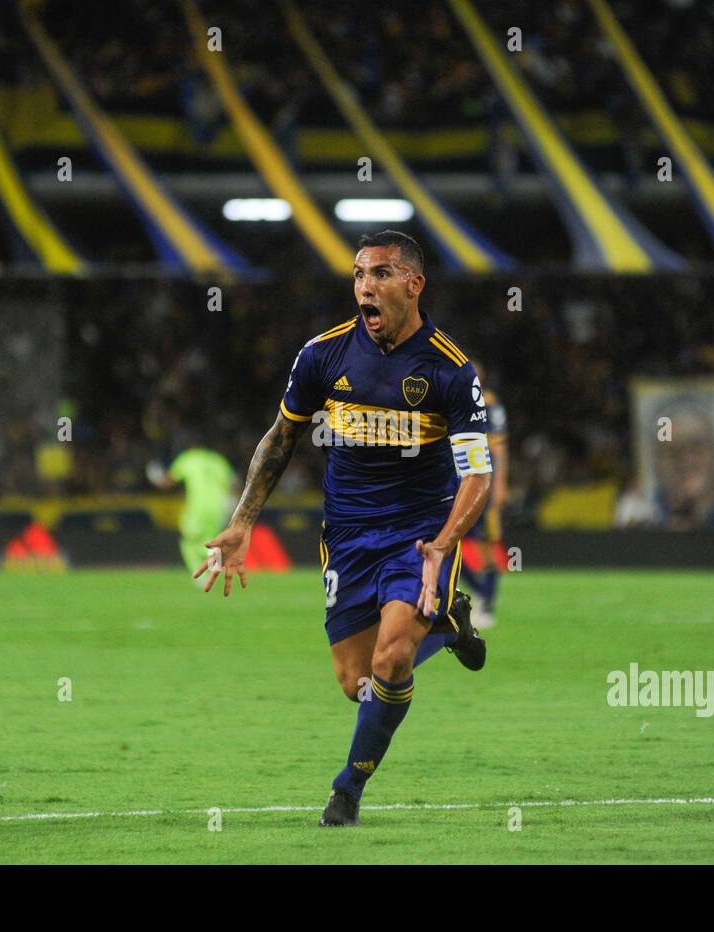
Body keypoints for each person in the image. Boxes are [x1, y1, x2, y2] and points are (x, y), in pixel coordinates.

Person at [194, 230, 491, 827]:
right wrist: (242, 521)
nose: (364, 287)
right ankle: (449, 624)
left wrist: (443, 544)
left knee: (393, 658)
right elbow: (282, 437)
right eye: (358, 275)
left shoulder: (450, 369)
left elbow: (478, 474)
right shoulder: (323, 356)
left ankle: (346, 791)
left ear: (414, 284)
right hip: (349, 536)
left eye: (380, 274)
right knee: (357, 682)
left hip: (419, 535)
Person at [461, 361, 508, 629]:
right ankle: (480, 591)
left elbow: (499, 447)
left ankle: (487, 603)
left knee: (488, 543)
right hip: (459, 484)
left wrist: (499, 484)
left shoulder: (490, 403)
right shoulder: (452, 397)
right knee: (448, 543)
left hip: (485, 483)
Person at [149, 446, 235, 573]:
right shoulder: (218, 460)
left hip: (198, 507)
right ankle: (215, 569)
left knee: (188, 542)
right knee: (211, 540)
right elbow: (233, 484)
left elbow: (167, 483)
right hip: (219, 508)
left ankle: (200, 575)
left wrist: (154, 476)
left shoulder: (189, 458)